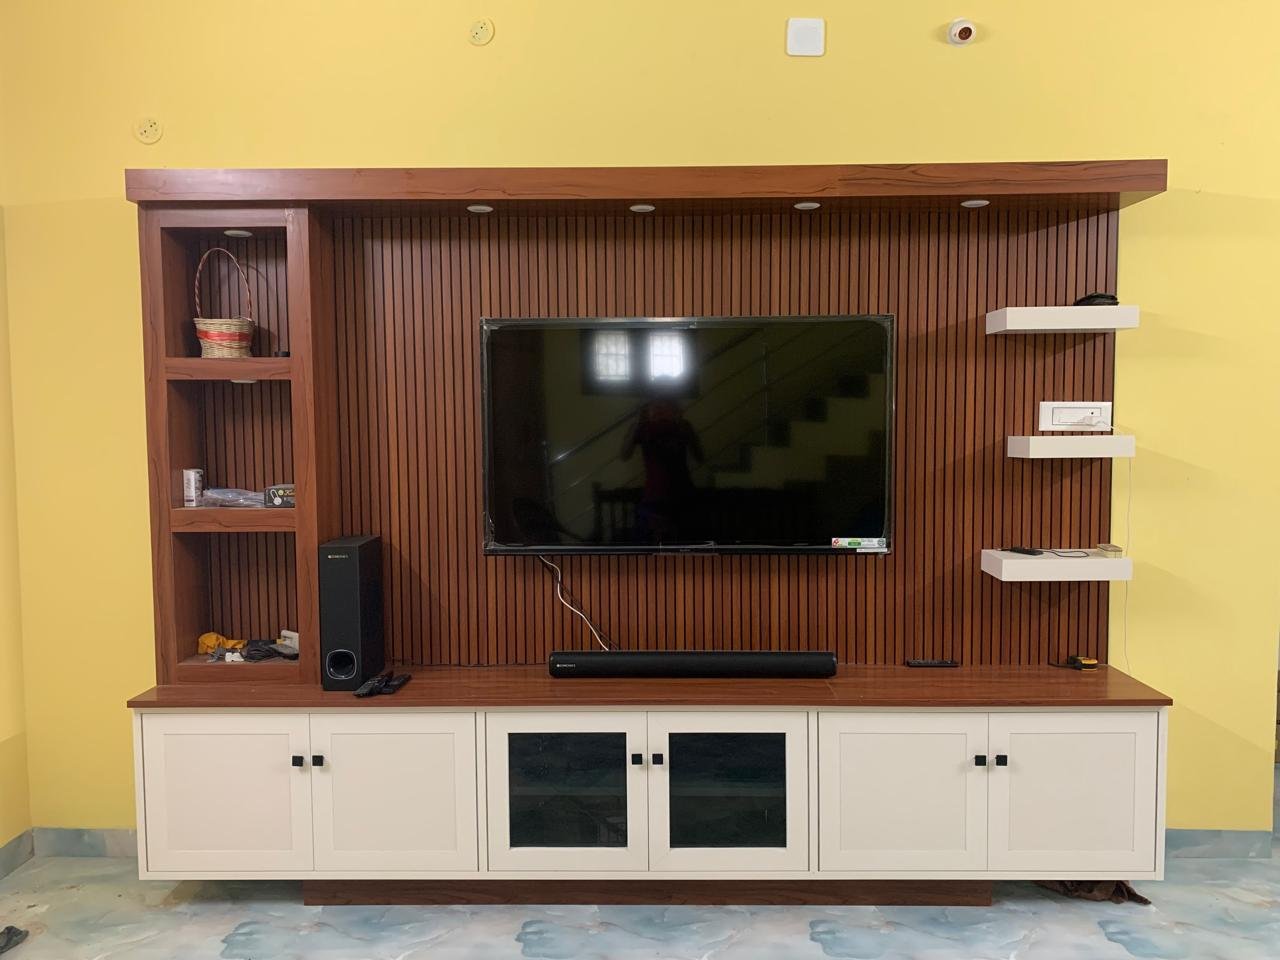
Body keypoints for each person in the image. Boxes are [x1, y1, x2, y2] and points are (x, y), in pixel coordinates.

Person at [620, 399, 704, 541]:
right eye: (655, 406)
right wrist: (637, 424)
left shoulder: (683, 425)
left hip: (683, 495)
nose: (659, 410)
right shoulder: (642, 427)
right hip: (654, 496)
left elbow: (700, 457)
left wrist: (683, 426)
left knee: (685, 542)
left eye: (664, 406)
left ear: (672, 408)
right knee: (647, 541)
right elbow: (624, 455)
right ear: (648, 409)